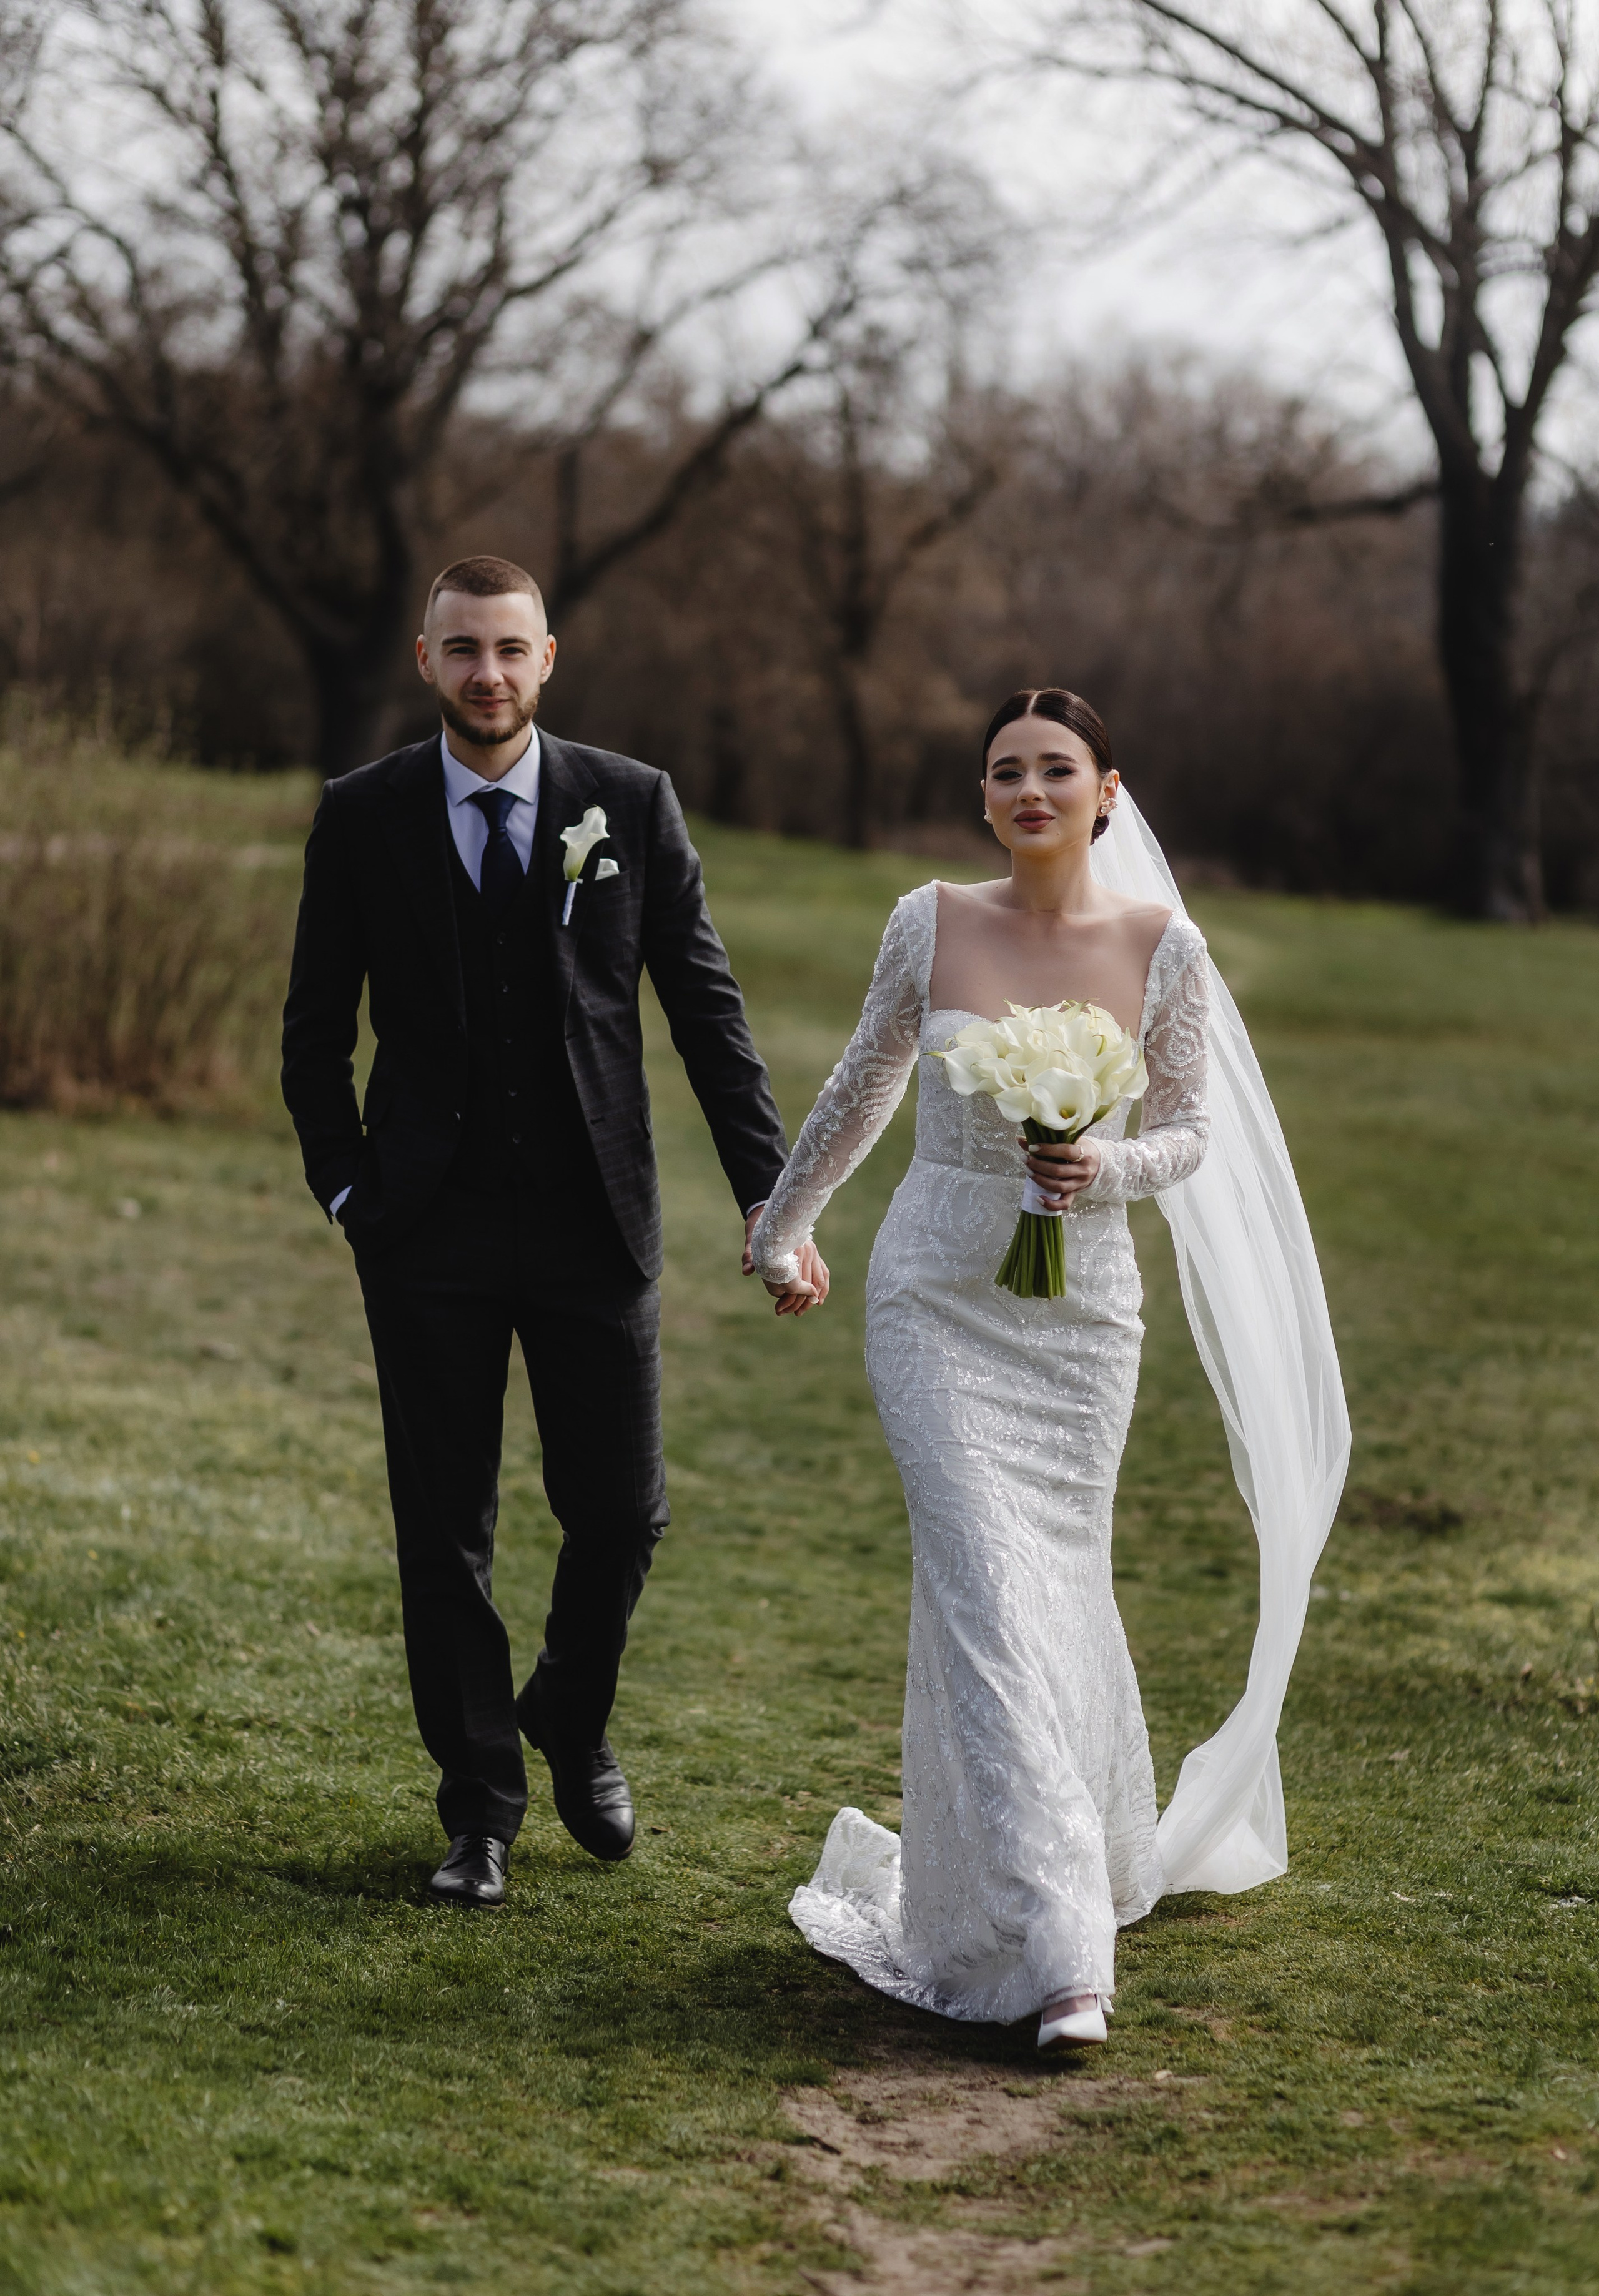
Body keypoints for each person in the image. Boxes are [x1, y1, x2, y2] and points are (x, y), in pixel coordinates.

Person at [751, 686, 1347, 2050]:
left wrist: (1105, 1163)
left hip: (1080, 1318)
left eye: (1054, 769)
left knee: (1052, 1583)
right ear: (982, 799)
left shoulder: (1163, 947)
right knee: (979, 1584)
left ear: (1105, 791)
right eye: (1004, 772)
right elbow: (862, 1086)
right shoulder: (929, 921)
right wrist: (781, 1225)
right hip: (931, 1295)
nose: (1029, 790)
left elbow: (1190, 1131)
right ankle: (1064, 1946)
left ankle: (1017, 1881)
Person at [281, 554, 826, 1908]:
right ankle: (478, 1811)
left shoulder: (626, 806)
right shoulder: (362, 815)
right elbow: (311, 1031)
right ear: (425, 660)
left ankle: (568, 1715)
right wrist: (351, 1192)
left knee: (622, 1514)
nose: (487, 674)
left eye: (509, 650)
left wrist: (771, 1193)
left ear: (548, 657)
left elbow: (705, 1011)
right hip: (426, 1230)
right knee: (442, 1529)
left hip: (597, 1217)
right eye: (461, 650)